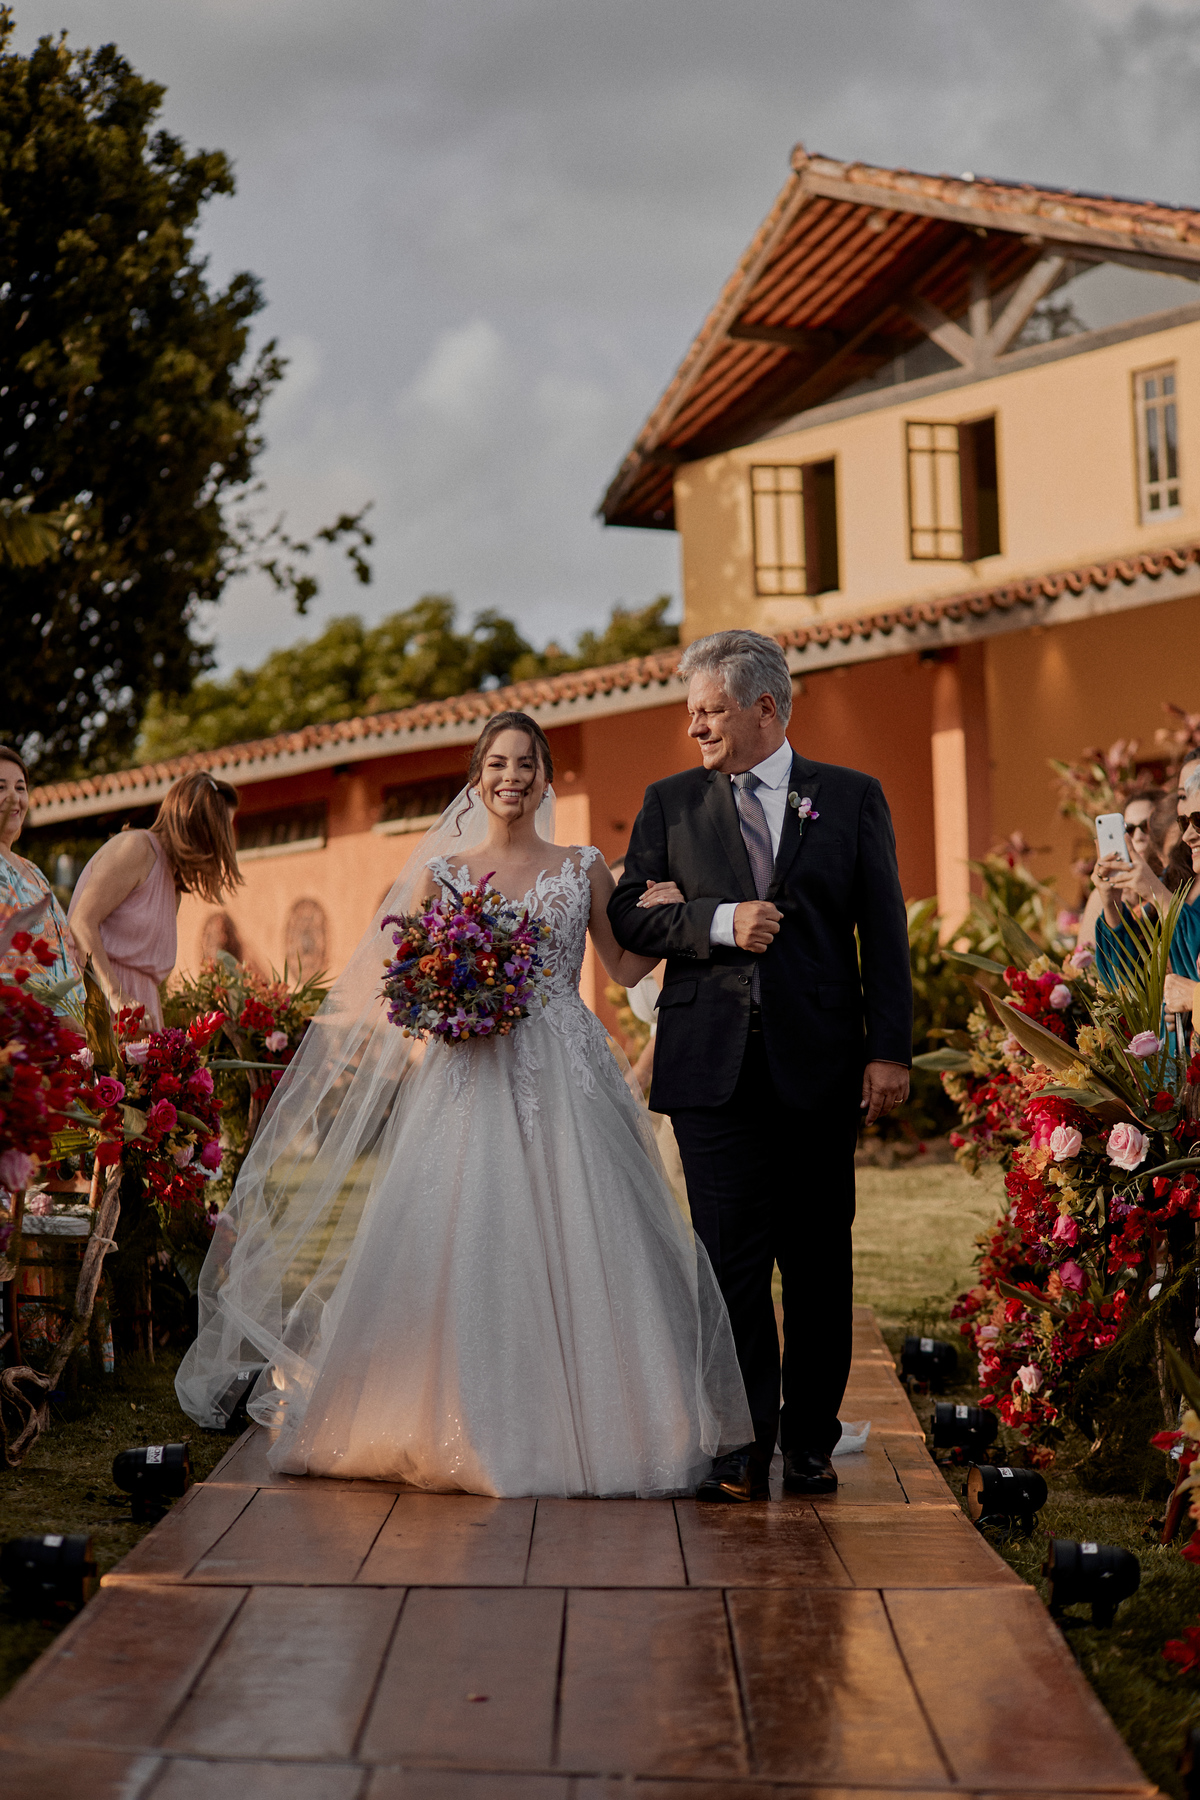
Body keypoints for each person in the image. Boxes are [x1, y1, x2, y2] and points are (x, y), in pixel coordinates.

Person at [176, 711, 751, 1497]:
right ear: (478, 778)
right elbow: (401, 977)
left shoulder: (583, 866)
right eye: (497, 765)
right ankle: (453, 1418)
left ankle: (606, 1422)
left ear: (546, 778)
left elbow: (617, 969)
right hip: (467, 1074)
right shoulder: (441, 873)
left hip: (565, 1075)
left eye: (526, 765)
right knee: (466, 1234)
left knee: (585, 1232)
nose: (512, 778)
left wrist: (660, 915)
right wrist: (446, 998)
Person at [608, 629, 913, 1501]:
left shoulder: (851, 799)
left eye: (709, 711)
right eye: (691, 712)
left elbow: (882, 934)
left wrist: (887, 1049)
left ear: (764, 708)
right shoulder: (670, 803)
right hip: (710, 1072)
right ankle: (743, 1443)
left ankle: (811, 1443)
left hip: (820, 1069)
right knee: (728, 1264)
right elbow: (630, 917)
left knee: (818, 1261)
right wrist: (715, 920)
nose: (694, 728)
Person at [68, 771, 240, 1030]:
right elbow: (81, 922)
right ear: (198, 824)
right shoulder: (136, 849)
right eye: (221, 828)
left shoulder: (174, 887)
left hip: (140, 1019)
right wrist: (115, 994)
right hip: (101, 1003)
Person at [0, 746, 84, 1008]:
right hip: (28, 1032)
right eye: (0, 787)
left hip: (71, 1033)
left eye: (20, 787)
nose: (14, 797)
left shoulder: (33, 870)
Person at [1075, 790, 1164, 953]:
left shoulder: (1177, 885)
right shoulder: (1105, 893)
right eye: (1129, 829)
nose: (1138, 836)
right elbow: (1084, 964)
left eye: (1147, 827)